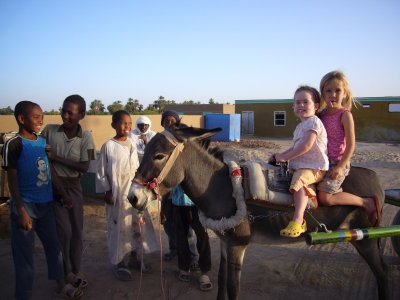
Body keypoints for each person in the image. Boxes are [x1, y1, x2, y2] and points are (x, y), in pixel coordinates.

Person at [2, 101, 83, 299]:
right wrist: (20, 209)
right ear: (22, 119)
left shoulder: (41, 142)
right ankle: (23, 294)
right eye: (36, 117)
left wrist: (63, 194)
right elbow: (12, 181)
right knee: (24, 257)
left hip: (46, 206)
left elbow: (50, 172)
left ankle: (61, 284)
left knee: (54, 248)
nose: (41, 121)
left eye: (42, 117)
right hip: (26, 207)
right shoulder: (13, 144)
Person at [41, 94, 96, 289]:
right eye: (63, 111)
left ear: (81, 114)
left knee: (76, 231)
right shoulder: (49, 131)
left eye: (71, 113)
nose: (65, 116)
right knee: (63, 232)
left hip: (74, 188)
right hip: (54, 189)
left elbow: (84, 167)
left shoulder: (87, 137)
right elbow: (41, 157)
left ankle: (75, 269)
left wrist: (55, 157)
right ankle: (65, 272)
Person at [96, 110, 157, 281]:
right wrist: (107, 190)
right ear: (114, 125)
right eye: (123, 123)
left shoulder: (131, 145)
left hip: (133, 196)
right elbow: (100, 172)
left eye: (130, 124)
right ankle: (120, 263)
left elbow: (136, 170)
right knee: (118, 230)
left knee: (137, 228)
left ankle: (135, 259)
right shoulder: (108, 146)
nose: (127, 127)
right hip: (117, 196)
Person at [317, 70, 381, 226]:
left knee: (325, 197)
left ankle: (365, 202)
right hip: (321, 160)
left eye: (337, 90)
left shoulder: (344, 115)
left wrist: (340, 166)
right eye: (328, 91)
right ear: (323, 94)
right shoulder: (321, 115)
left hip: (338, 161)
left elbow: (351, 145)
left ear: (345, 93)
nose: (333, 94)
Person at [269, 86, 329, 237]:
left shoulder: (314, 122)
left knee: (299, 180)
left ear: (315, 106)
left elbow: (307, 145)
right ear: (293, 106)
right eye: (298, 102)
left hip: (314, 167)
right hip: (302, 166)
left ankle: (298, 220)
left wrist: (286, 157)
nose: (301, 105)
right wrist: (280, 155)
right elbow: (295, 147)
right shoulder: (300, 127)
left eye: (305, 102)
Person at [159, 110, 199, 267]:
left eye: (172, 120)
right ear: (162, 123)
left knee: (188, 230)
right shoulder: (161, 141)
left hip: (184, 193)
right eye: (166, 121)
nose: (169, 123)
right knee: (168, 224)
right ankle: (174, 250)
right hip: (167, 190)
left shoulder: (186, 141)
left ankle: (193, 258)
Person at [172, 185, 212, 290]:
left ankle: (204, 272)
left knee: (203, 236)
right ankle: (184, 268)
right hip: (178, 202)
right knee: (181, 237)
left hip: (198, 203)